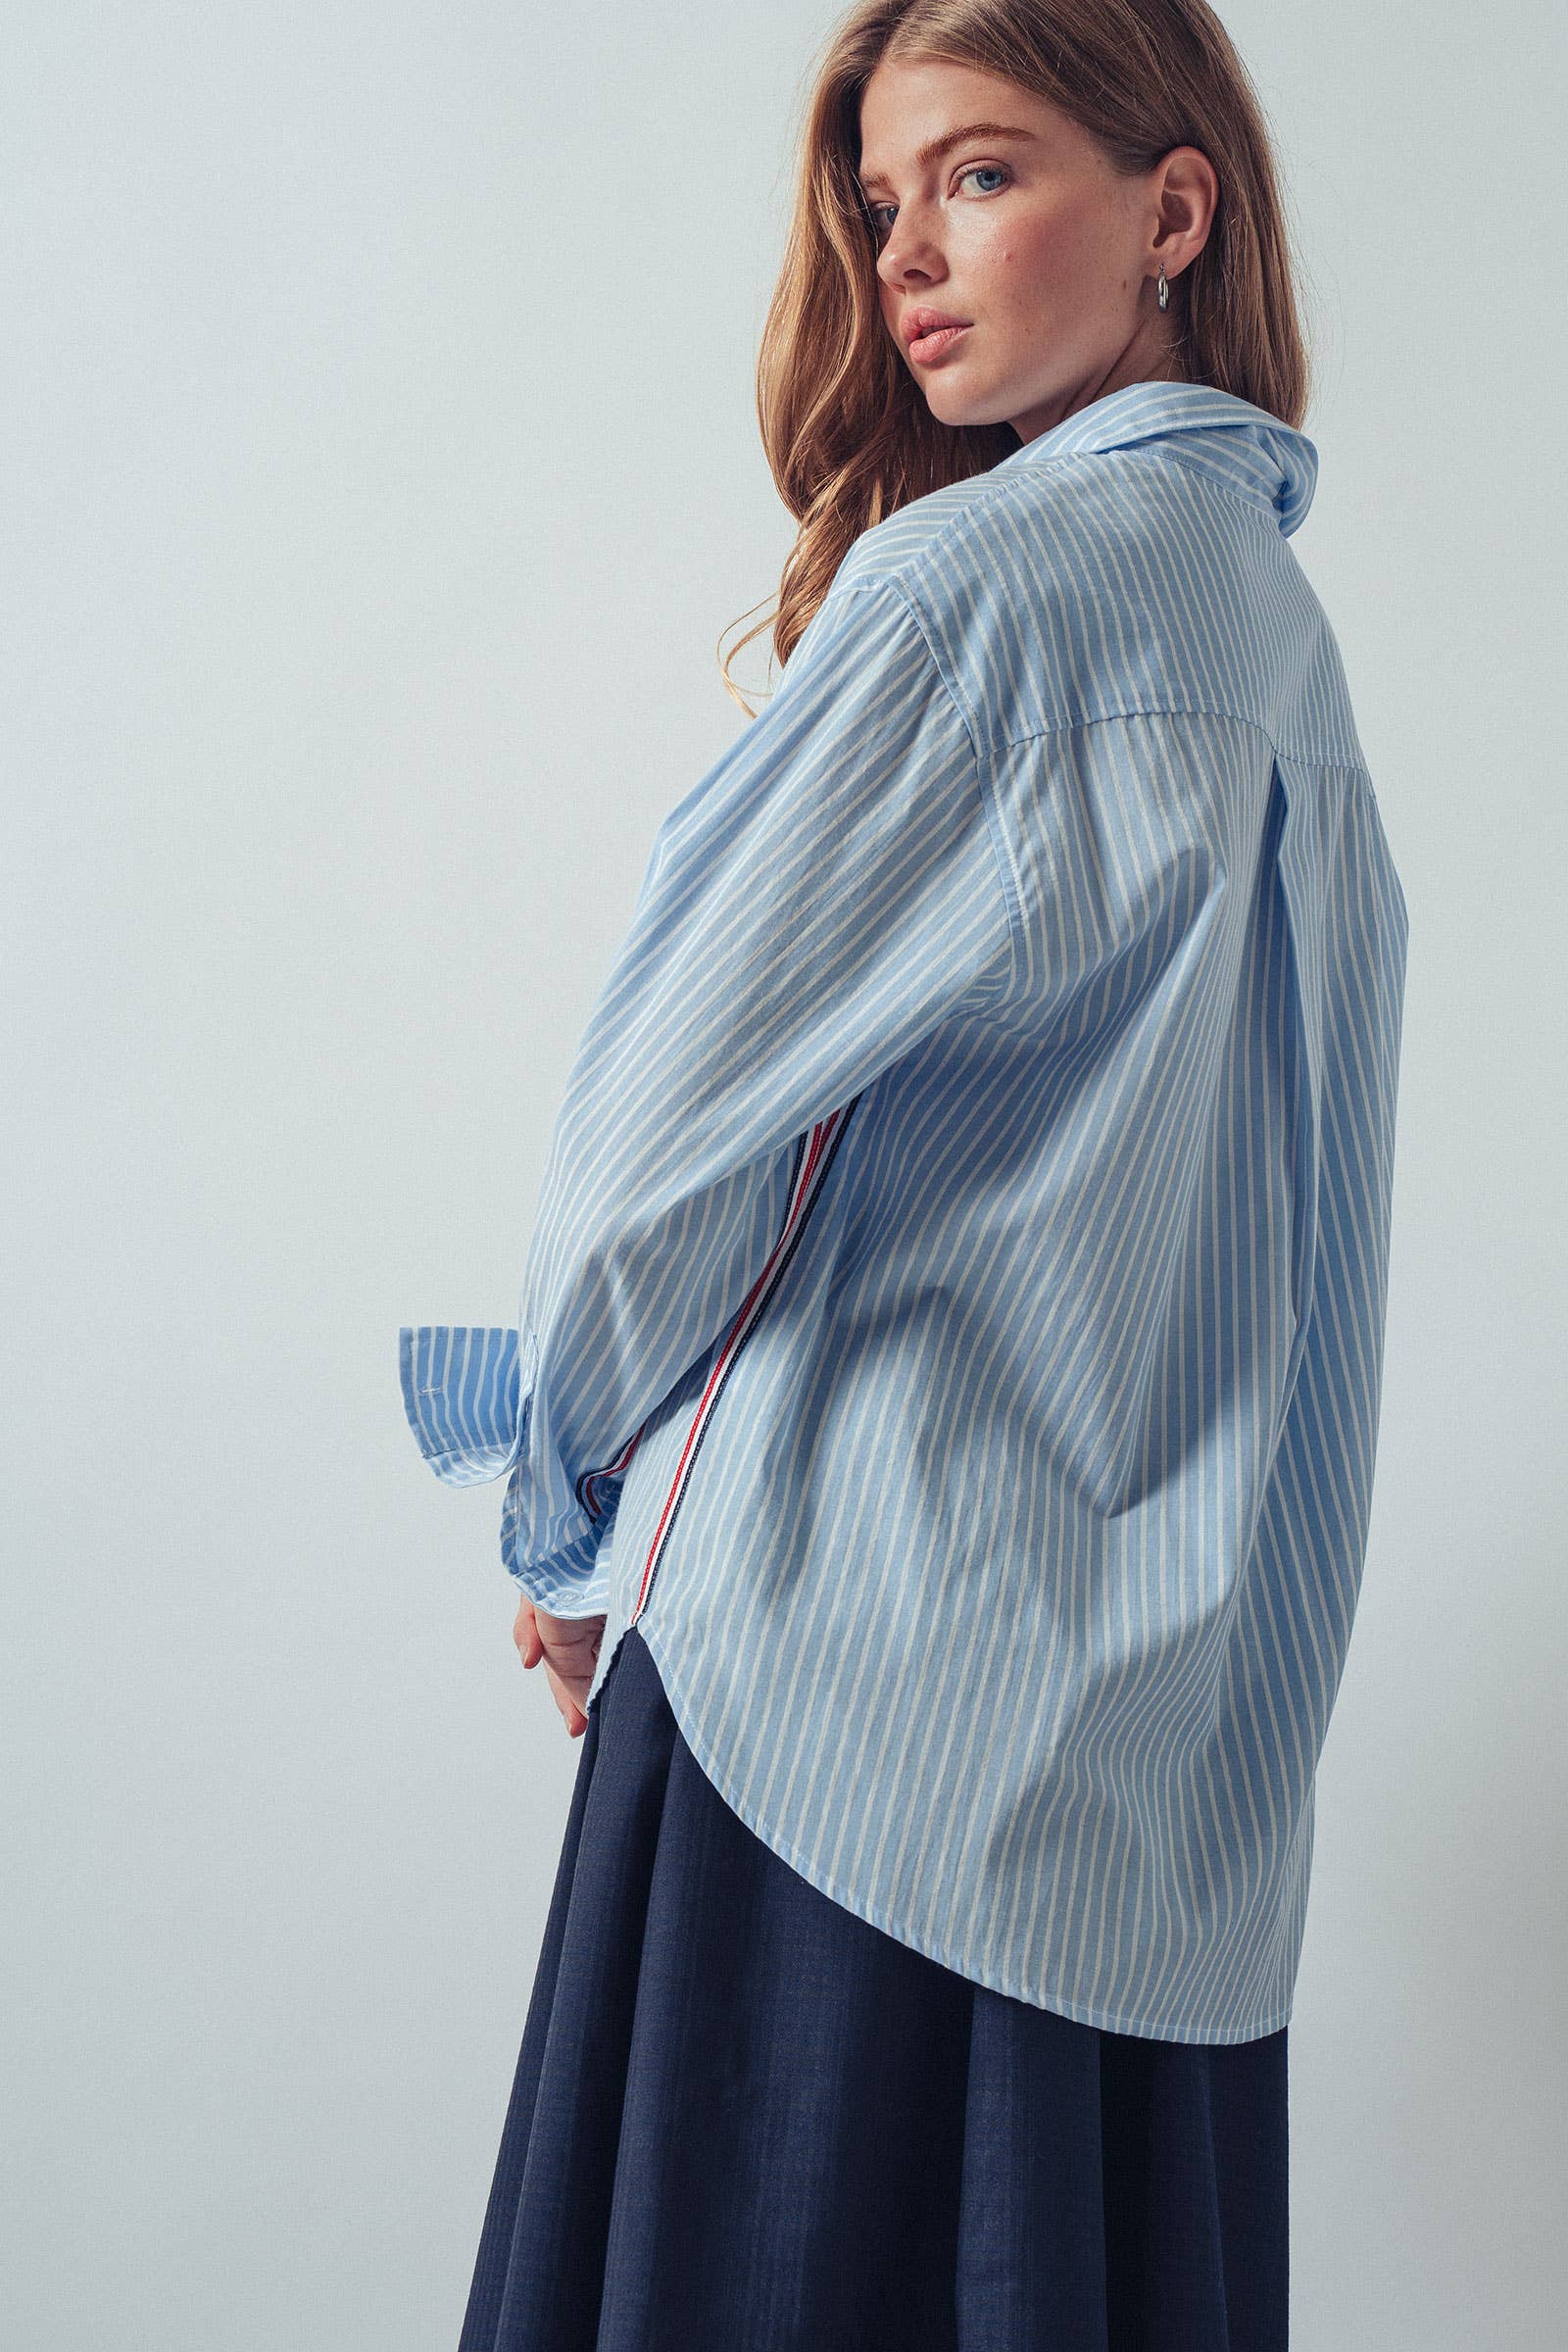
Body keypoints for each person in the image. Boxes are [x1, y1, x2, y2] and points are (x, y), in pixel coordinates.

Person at [398, 2, 1409, 2344]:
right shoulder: (1283, 659)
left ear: (1172, 209)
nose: (904, 259)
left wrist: (556, 1511)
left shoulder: (972, 599)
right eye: (879, 204)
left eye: (978, 173)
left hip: (843, 1723)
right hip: (1156, 1801)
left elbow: (651, 1138)